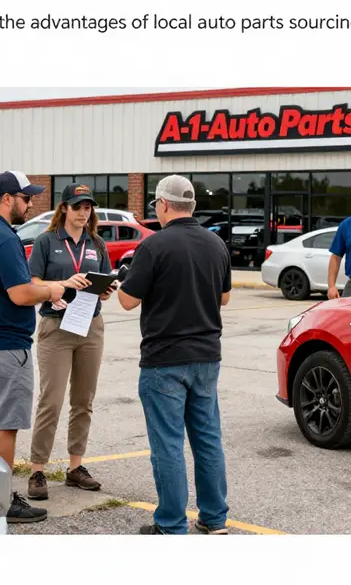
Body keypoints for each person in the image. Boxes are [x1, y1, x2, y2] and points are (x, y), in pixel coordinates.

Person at [117, 174, 232, 535]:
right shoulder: (216, 244)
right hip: (207, 356)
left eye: (156, 205)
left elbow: (127, 301)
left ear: (164, 204)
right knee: (207, 439)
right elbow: (225, 297)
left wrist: (123, 278)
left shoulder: (154, 246)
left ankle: (170, 523)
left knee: (168, 444)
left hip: (165, 358)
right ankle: (214, 518)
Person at [0, 171, 66, 524]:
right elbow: (20, 293)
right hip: (6, 346)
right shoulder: (5, 238)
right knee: (6, 426)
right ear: (7, 199)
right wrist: (50, 290)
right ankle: (2, 503)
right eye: (26, 198)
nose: (30, 204)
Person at [27, 183, 116, 501]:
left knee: (83, 400)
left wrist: (106, 290)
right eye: (77, 206)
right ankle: (37, 470)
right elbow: (32, 282)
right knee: (50, 401)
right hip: (57, 325)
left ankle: (76, 467)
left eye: (88, 207)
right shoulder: (46, 241)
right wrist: (63, 283)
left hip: (90, 326)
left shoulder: (96, 243)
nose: (83, 212)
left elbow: (106, 281)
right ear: (64, 208)